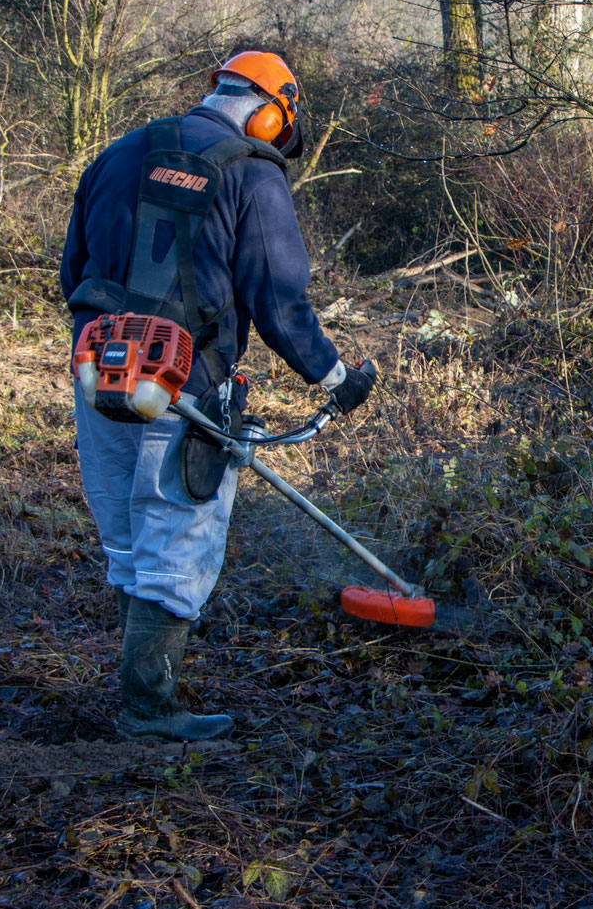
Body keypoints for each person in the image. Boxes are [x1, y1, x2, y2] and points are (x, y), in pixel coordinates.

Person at [59, 51, 377, 742]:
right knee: (178, 536)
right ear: (271, 111)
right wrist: (334, 380)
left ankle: (140, 687)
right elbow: (281, 302)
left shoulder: (118, 152)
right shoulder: (252, 170)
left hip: (98, 373)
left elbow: (72, 271)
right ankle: (148, 706)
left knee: (127, 537)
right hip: (188, 385)